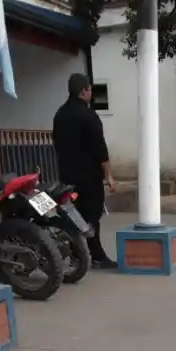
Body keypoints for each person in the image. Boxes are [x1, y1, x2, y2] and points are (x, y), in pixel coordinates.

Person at [53, 73, 117, 270]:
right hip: (89, 178)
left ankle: (76, 255)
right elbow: (100, 149)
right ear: (83, 91)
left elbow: (57, 144)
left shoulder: (59, 115)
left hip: (67, 177)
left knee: (73, 215)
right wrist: (109, 175)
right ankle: (96, 256)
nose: (91, 93)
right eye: (90, 89)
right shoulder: (89, 116)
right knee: (92, 217)